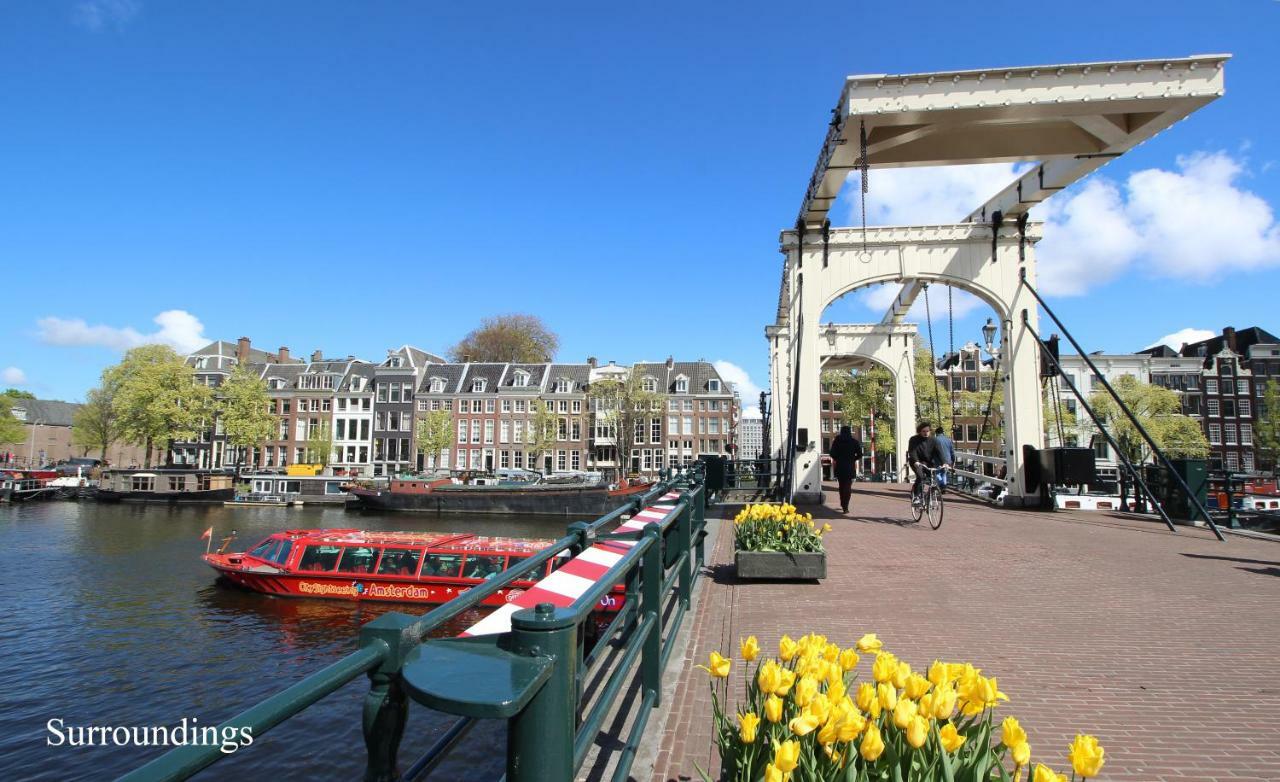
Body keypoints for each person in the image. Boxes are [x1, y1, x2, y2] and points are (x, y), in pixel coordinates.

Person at [906, 422, 946, 507]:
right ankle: (916, 496)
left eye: (927, 431)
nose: (926, 433)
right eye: (923, 431)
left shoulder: (934, 440)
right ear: (919, 431)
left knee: (933, 478)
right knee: (920, 477)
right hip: (916, 462)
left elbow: (940, 452)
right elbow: (912, 451)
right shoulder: (913, 439)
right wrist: (916, 461)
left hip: (928, 462)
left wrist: (944, 463)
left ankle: (930, 496)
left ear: (930, 431)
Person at [827, 425, 863, 513]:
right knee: (848, 487)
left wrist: (837, 458)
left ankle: (843, 503)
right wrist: (853, 459)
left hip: (840, 467)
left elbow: (831, 453)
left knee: (841, 486)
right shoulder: (854, 441)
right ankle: (845, 506)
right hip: (850, 467)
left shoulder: (837, 441)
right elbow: (860, 454)